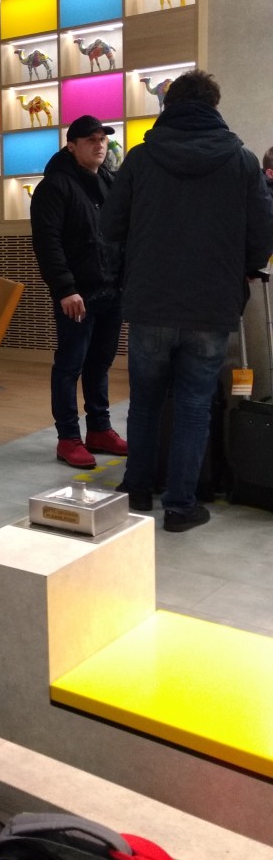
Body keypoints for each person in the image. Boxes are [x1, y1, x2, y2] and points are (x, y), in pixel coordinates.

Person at [101, 70, 273, 532]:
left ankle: (137, 489)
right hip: (211, 304)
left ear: (169, 105)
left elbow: (110, 226)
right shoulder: (241, 161)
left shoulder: (140, 158)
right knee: (195, 405)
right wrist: (245, 265)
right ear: (213, 106)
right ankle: (180, 506)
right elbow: (262, 234)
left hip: (150, 301)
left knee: (145, 402)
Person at [30, 114, 127, 469]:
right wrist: (65, 288)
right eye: (91, 140)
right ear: (72, 146)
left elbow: (119, 235)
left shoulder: (109, 181)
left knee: (100, 363)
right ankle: (68, 437)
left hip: (111, 290)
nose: (100, 145)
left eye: (102, 139)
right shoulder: (54, 187)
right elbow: (48, 243)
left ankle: (99, 429)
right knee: (70, 365)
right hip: (78, 295)